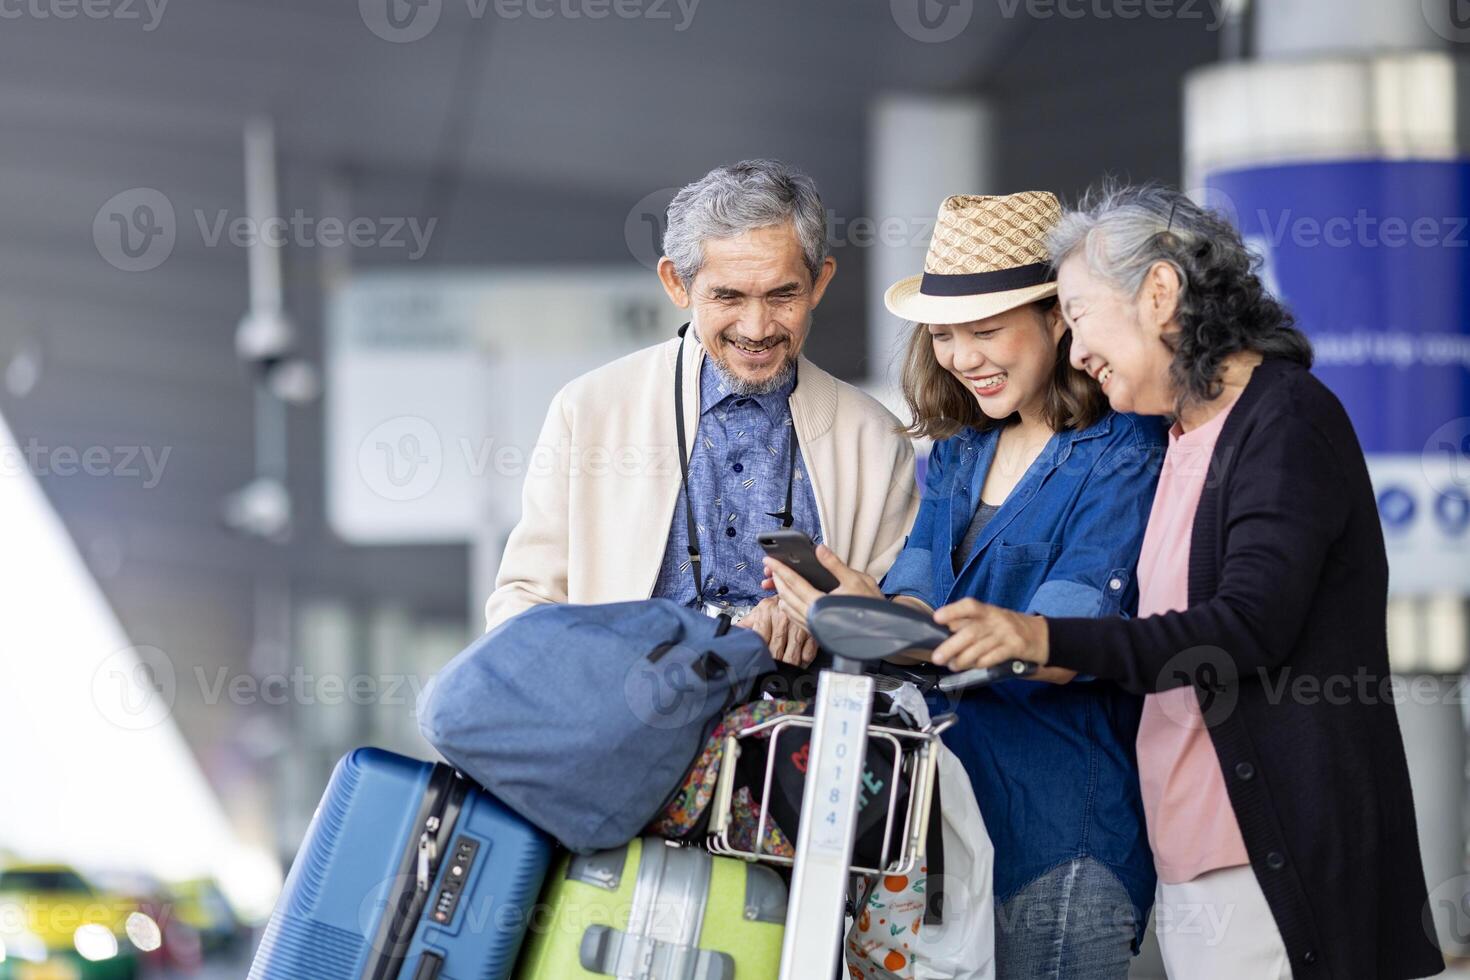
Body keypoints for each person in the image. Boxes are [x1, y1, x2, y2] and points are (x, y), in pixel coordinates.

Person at [928, 184, 1445, 980]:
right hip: (1199, 862)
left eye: (1079, 314)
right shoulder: (1178, 439)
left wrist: (1041, 636)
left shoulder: (1285, 420)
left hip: (1273, 862)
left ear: (1160, 294)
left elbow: (1246, 626)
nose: (1074, 352)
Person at [765, 192, 1165, 978]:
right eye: (944, 334)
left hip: (1061, 834)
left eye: (985, 330)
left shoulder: (1125, 449)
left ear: (1059, 317)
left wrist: (874, 623)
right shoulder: (960, 450)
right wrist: (870, 611)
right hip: (946, 830)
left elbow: (1058, 643)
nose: (961, 355)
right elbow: (919, 599)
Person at [483, 159, 918, 668]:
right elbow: (524, 606)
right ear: (677, 284)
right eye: (727, 296)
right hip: (631, 729)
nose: (756, 329)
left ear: (819, 283)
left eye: (783, 295)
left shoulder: (875, 436)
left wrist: (821, 620)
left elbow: (904, 627)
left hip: (805, 735)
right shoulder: (589, 411)